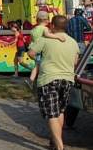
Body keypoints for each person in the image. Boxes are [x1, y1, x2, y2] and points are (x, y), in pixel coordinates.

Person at [27, 15, 80, 150]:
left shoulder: (45, 40)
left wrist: (41, 59)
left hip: (48, 79)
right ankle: (55, 141)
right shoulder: (73, 42)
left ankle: (59, 145)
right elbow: (75, 62)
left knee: (51, 113)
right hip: (67, 80)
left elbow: (31, 53)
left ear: (52, 25)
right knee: (60, 111)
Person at [29, 11, 66, 85]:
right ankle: (35, 80)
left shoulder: (34, 29)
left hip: (34, 48)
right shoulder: (44, 28)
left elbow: (32, 40)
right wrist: (58, 37)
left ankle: (31, 79)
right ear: (46, 20)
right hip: (41, 49)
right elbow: (47, 35)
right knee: (40, 66)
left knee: (37, 65)